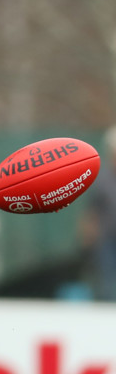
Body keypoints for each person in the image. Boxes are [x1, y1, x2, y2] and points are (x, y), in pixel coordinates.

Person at [80, 125, 116, 301]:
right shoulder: (101, 179)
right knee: (107, 281)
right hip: (107, 240)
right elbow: (92, 211)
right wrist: (88, 235)